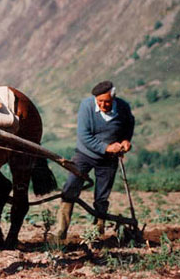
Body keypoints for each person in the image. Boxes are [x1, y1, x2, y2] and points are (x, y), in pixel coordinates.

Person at [50, 80, 135, 244]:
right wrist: (106, 147)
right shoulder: (86, 107)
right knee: (70, 188)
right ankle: (60, 231)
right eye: (100, 101)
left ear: (114, 99)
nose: (103, 104)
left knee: (102, 196)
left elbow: (129, 124)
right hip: (85, 155)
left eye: (107, 102)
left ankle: (97, 231)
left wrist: (125, 140)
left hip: (109, 160)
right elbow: (85, 136)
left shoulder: (123, 107)